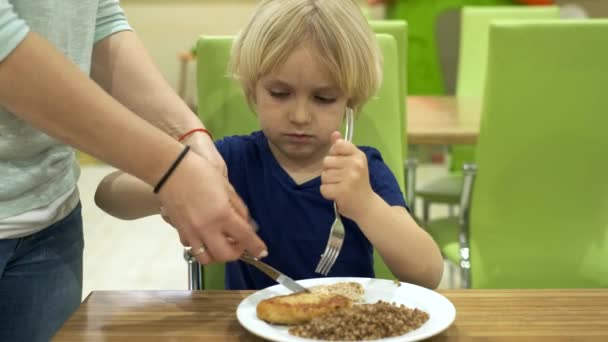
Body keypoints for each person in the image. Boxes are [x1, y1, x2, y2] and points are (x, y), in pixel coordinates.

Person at [95, 0, 443, 291]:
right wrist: (177, 182)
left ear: (350, 103)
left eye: (323, 98)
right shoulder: (230, 160)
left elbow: (427, 273)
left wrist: (366, 205)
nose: (301, 115)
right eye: (280, 94)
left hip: (347, 327)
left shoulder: (360, 170)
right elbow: (108, 195)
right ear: (253, 92)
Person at [0, 1, 267, 341]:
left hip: (51, 216)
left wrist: (188, 136)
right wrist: (171, 169)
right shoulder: (242, 153)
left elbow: (99, 22)